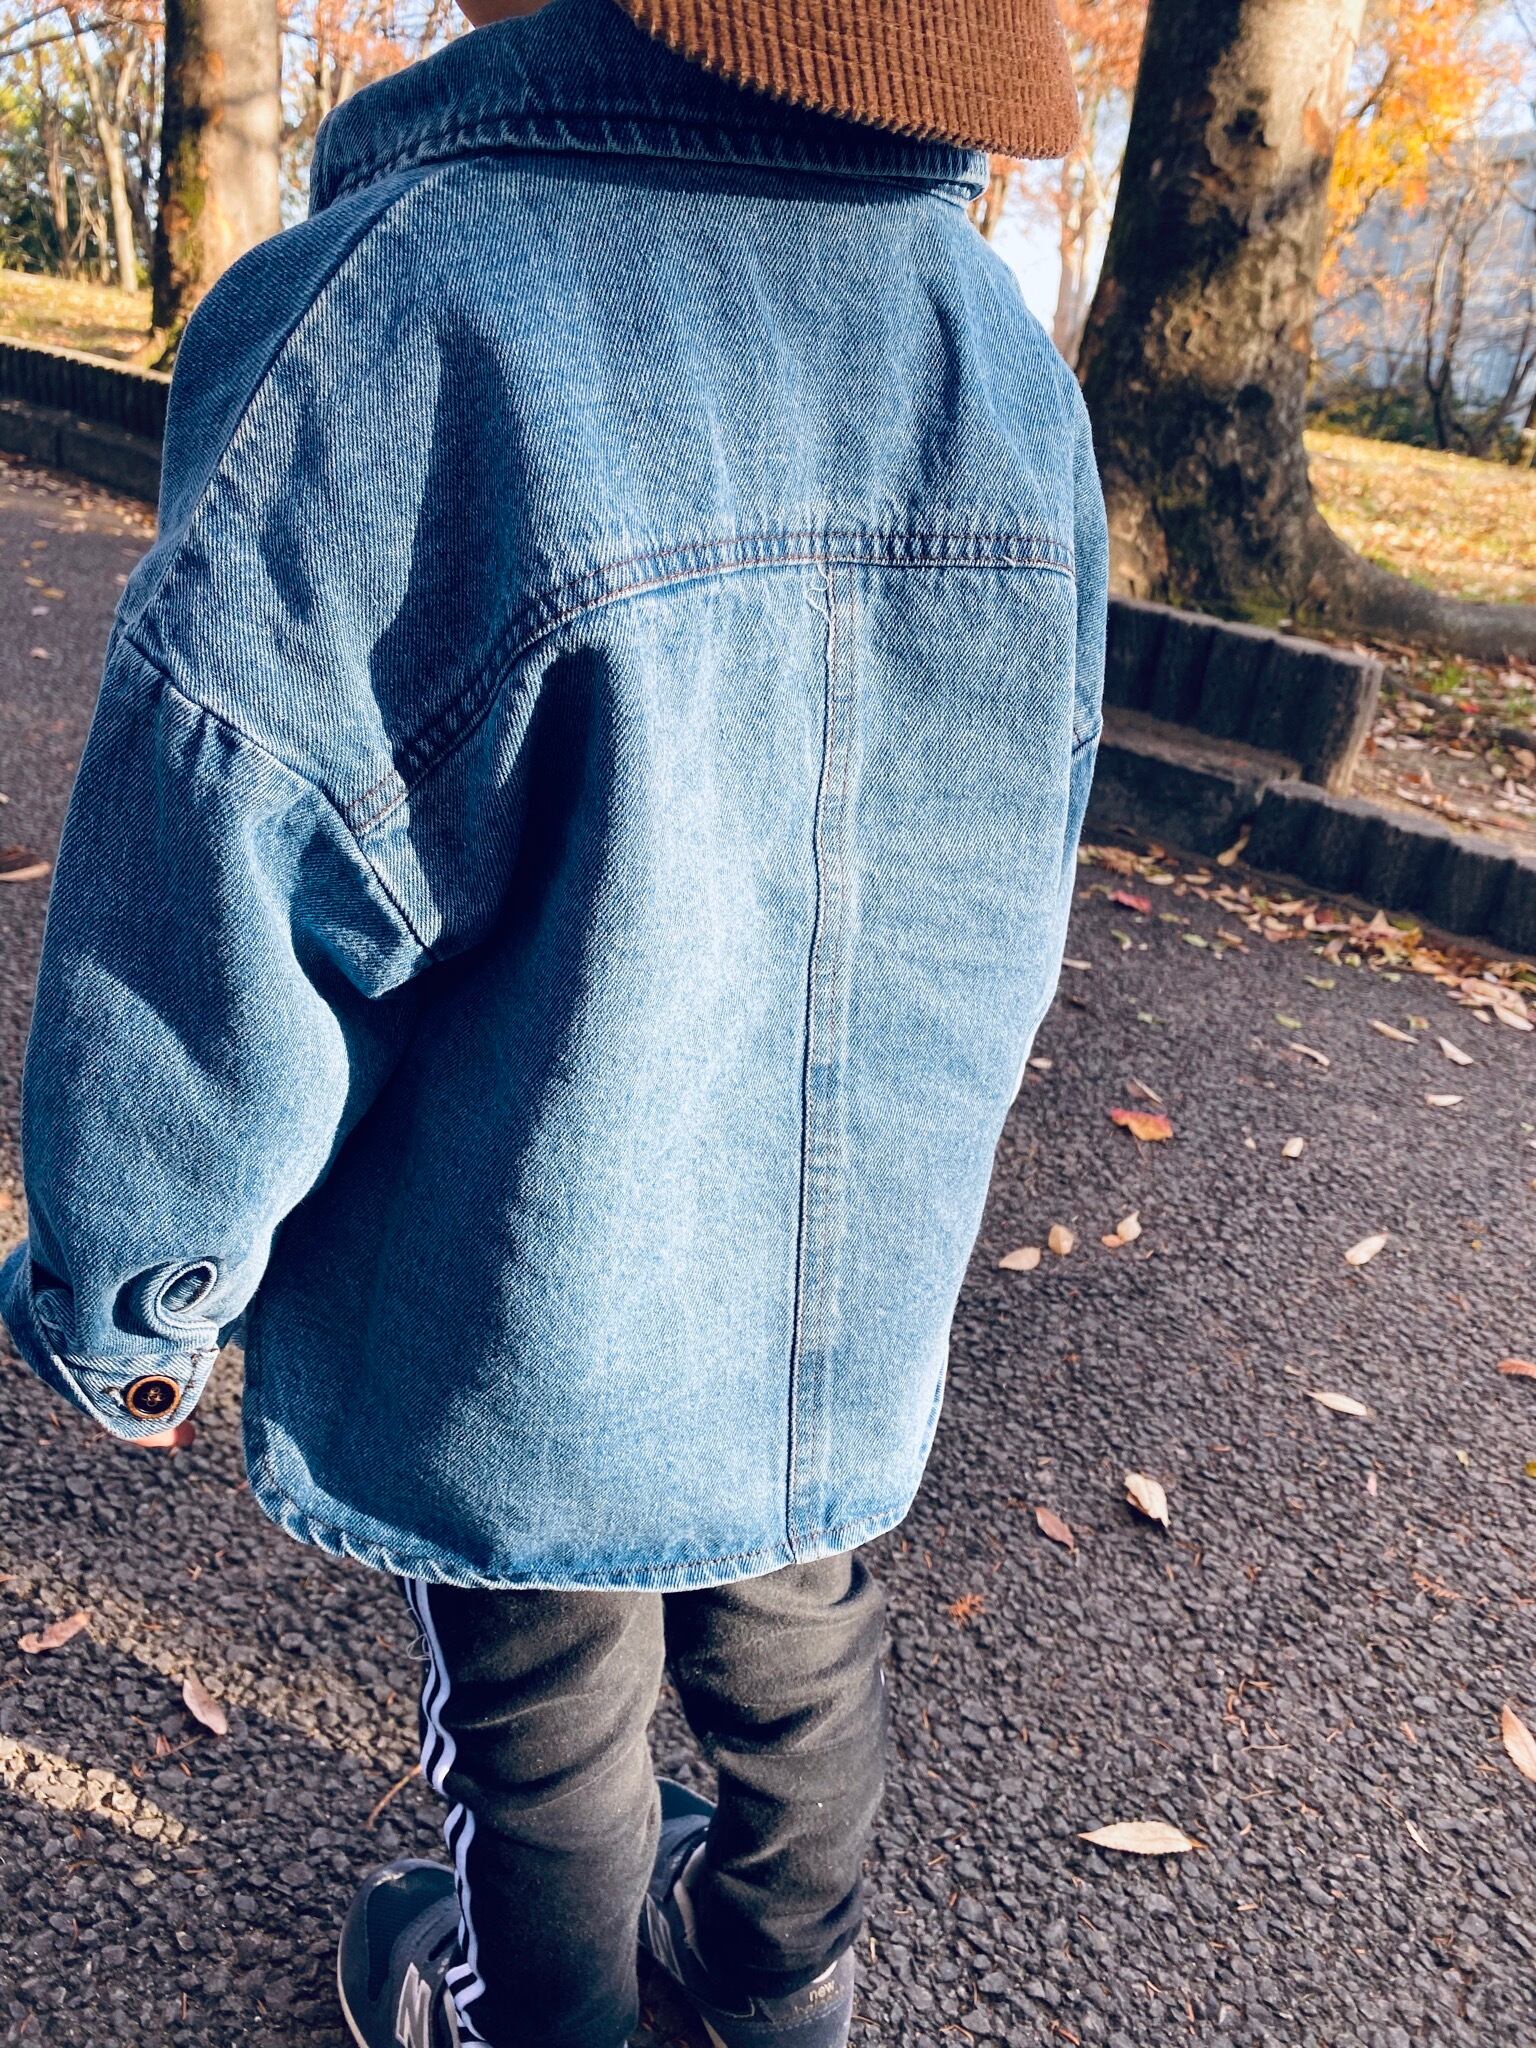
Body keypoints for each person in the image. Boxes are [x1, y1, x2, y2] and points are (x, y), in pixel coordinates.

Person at [0, 0, 1104, 2043]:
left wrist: (141, 1287)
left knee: (540, 1687)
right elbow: (1034, 804)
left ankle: (539, 2016)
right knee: (799, 1606)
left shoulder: (415, 302)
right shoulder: (991, 349)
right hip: (839, 1245)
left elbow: (231, 835)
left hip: (531, 1225)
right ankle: (774, 1990)